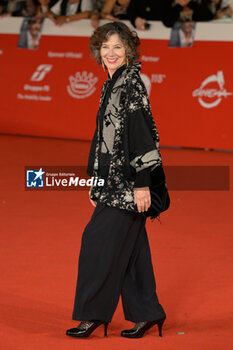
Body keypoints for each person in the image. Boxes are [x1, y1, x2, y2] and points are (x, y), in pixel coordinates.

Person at [66, 21, 167, 339]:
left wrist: (141, 183)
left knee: (95, 241)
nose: (110, 53)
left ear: (129, 51)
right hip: (112, 181)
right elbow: (105, 140)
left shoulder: (130, 83)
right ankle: (147, 313)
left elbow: (142, 135)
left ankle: (92, 313)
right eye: (105, 47)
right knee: (131, 249)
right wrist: (96, 181)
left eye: (117, 47)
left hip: (128, 184)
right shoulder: (112, 83)